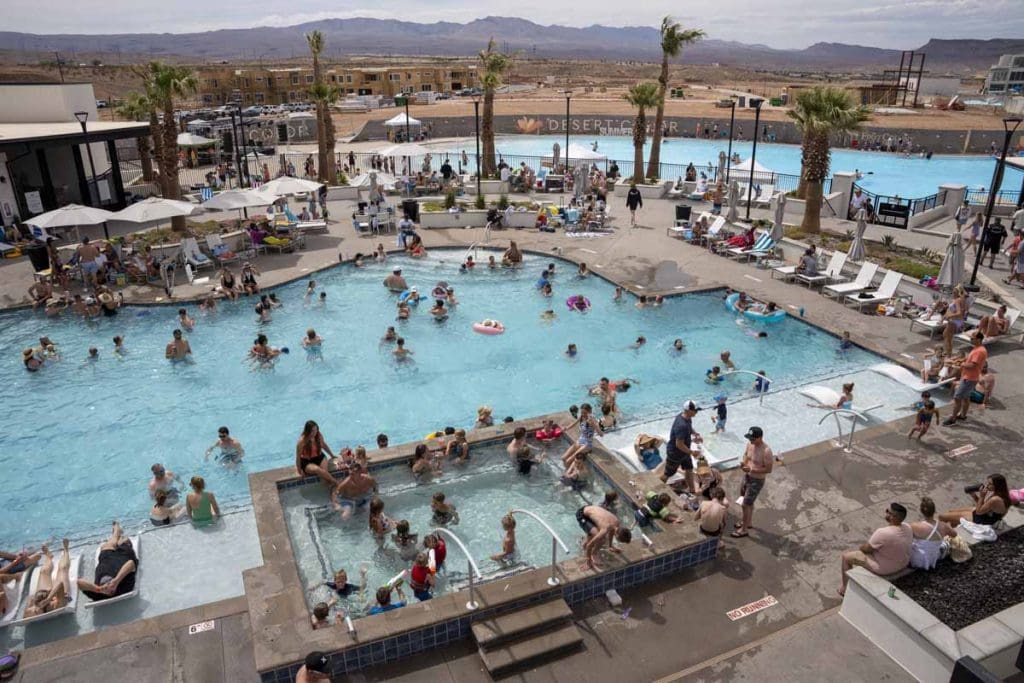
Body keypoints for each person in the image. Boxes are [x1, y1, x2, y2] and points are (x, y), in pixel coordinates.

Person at [838, 503, 913, 596]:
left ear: (893, 516)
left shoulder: (883, 533)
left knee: (846, 557)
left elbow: (865, 549)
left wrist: (862, 547)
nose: (886, 513)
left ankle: (844, 589)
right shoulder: (907, 527)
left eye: (887, 511)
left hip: (885, 568)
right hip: (904, 562)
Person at [78, 522, 138, 602]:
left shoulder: (98, 595)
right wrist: (116, 581)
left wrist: (98, 589)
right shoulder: (124, 588)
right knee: (123, 541)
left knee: (106, 546)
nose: (108, 587)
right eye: (111, 590)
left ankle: (117, 532)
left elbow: (78, 582)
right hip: (123, 556)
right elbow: (131, 563)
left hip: (106, 558)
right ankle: (118, 532)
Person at [733, 427, 773, 538]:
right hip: (747, 476)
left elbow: (768, 469)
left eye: (753, 439)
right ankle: (748, 522)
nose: (751, 441)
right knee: (745, 500)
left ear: (760, 438)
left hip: (757, 480)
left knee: (746, 503)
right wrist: (744, 463)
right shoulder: (750, 445)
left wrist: (751, 469)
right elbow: (746, 455)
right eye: (749, 438)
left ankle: (744, 529)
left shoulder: (766, 451)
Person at [20, 540, 73, 618]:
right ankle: (66, 549)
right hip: (60, 594)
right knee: (63, 568)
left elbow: (30, 600)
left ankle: (49, 556)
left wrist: (35, 603)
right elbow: (60, 585)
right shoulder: (55, 607)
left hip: (44, 595)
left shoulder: (32, 610)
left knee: (44, 571)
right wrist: (49, 599)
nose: (35, 609)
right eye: (35, 611)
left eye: (34, 610)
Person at [943, 332, 987, 425]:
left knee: (957, 398)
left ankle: (953, 418)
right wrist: (961, 360)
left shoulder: (979, 351)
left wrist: (960, 364)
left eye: (972, 338)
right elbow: (970, 360)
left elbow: (972, 365)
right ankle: (963, 415)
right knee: (966, 398)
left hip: (969, 378)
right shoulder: (978, 349)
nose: (971, 340)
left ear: (979, 339)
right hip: (970, 377)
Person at [938, 474, 1010, 527]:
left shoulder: (996, 499)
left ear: (997, 486)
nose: (987, 485)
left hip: (983, 519)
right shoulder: (1000, 493)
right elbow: (985, 506)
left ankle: (939, 534)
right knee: (951, 513)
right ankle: (952, 529)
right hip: (985, 514)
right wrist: (974, 495)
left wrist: (982, 496)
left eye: (990, 484)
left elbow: (978, 512)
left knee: (941, 516)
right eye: (987, 483)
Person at [575, 504, 632, 570]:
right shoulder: (605, 529)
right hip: (582, 515)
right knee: (602, 539)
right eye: (620, 540)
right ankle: (594, 554)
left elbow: (612, 532)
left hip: (589, 509)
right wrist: (588, 562)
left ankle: (583, 545)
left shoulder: (616, 522)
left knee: (595, 534)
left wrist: (610, 546)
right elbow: (589, 545)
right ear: (617, 535)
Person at [661, 400, 700, 493]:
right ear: (688, 410)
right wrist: (692, 452)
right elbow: (679, 444)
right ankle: (658, 488)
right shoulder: (681, 425)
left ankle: (692, 490)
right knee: (668, 474)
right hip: (675, 453)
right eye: (695, 410)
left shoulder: (686, 417)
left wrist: (694, 433)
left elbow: (689, 426)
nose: (696, 412)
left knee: (689, 469)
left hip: (684, 452)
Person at [909, 497, 956, 570]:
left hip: (916, 559)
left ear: (921, 511)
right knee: (945, 543)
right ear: (934, 511)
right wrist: (948, 526)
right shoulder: (943, 525)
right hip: (933, 559)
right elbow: (954, 534)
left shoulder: (915, 526)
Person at [296, 420, 339, 489]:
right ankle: (337, 483)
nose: (314, 433)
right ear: (307, 431)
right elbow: (298, 457)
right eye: (312, 431)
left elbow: (323, 445)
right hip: (307, 461)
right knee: (317, 470)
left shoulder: (318, 435)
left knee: (324, 474)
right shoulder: (302, 441)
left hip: (320, 457)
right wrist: (299, 470)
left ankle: (332, 490)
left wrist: (331, 455)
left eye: (316, 430)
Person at [941, 285, 968, 356]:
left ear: (958, 293)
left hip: (954, 321)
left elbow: (959, 313)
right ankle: (947, 352)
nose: (952, 293)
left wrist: (949, 316)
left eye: (954, 292)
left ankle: (948, 354)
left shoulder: (957, 300)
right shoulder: (962, 300)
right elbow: (964, 311)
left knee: (948, 338)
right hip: (958, 321)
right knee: (945, 335)